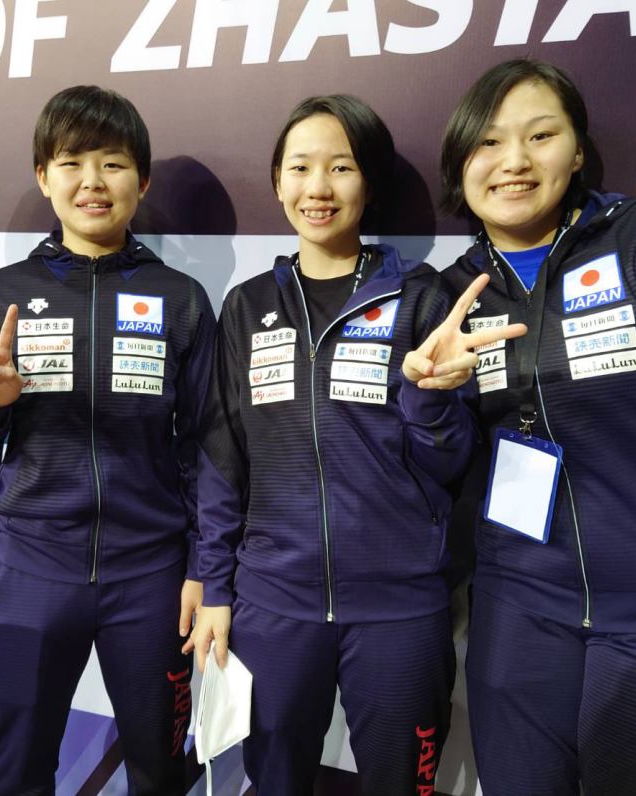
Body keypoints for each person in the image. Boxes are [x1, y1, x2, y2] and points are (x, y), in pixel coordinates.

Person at [436, 59, 636, 794]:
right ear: (461, 163)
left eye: (540, 135)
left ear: (577, 151)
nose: (513, 161)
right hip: (518, 616)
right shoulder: (451, 292)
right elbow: (439, 464)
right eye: (487, 143)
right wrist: (427, 396)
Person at [187, 94, 524, 794]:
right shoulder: (248, 307)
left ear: (367, 184)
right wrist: (216, 585)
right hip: (273, 606)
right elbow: (223, 459)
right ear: (278, 181)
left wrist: (428, 401)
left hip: (400, 609)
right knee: (273, 781)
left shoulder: (423, 300)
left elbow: (454, 464)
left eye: (340, 167)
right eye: (301, 167)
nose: (318, 188)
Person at [0, 85, 215, 795]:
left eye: (113, 163)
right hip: (33, 567)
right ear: (43, 177)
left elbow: (206, 445)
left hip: (150, 577)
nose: (92, 182)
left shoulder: (181, 298)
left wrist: (200, 567)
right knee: (21, 765)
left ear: (141, 181)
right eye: (71, 162)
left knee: (158, 766)